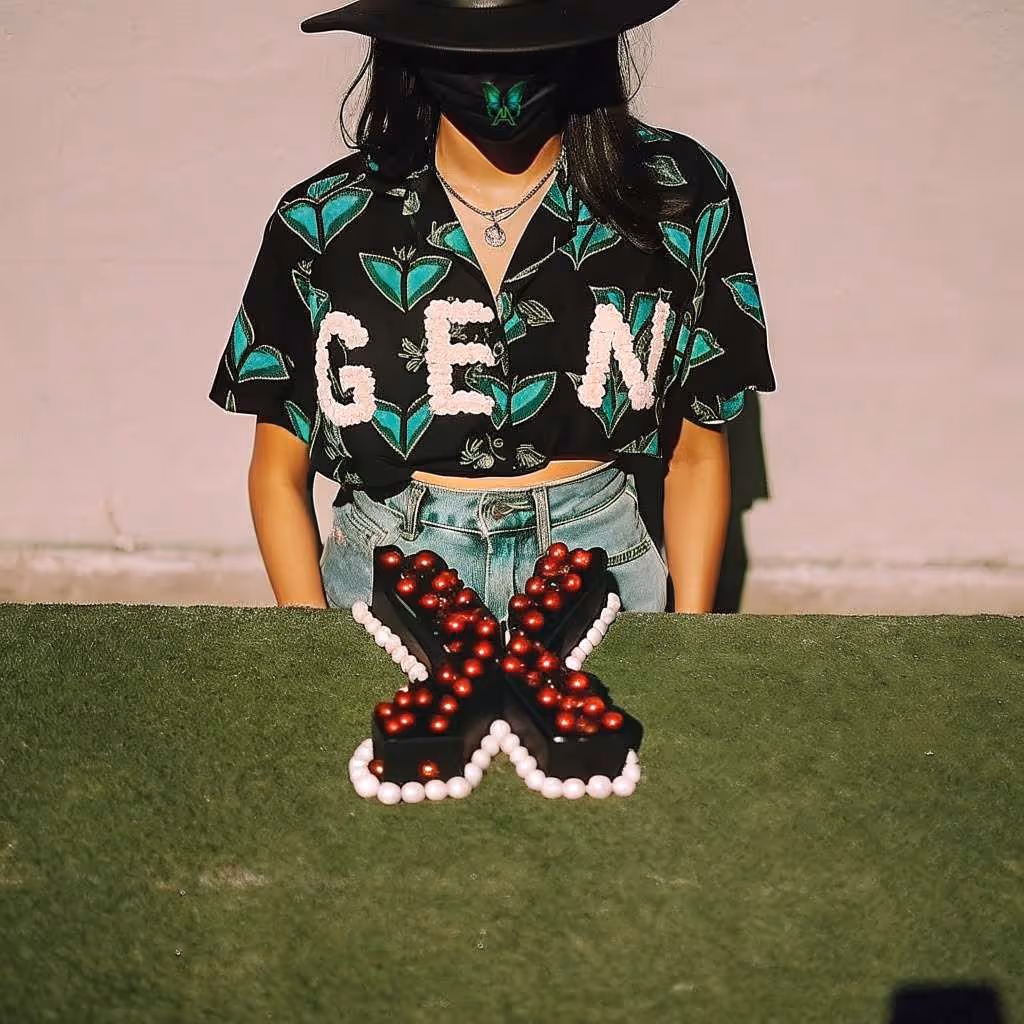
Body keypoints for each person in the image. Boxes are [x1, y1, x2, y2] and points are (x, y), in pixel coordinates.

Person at [207, 0, 777, 616]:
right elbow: (276, 471)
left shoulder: (677, 195)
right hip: (385, 578)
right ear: (408, 44)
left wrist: (687, 643)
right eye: (466, 46)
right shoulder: (322, 221)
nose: (498, 75)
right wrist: (311, 637)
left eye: (525, 42)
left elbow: (696, 453)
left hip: (599, 573)